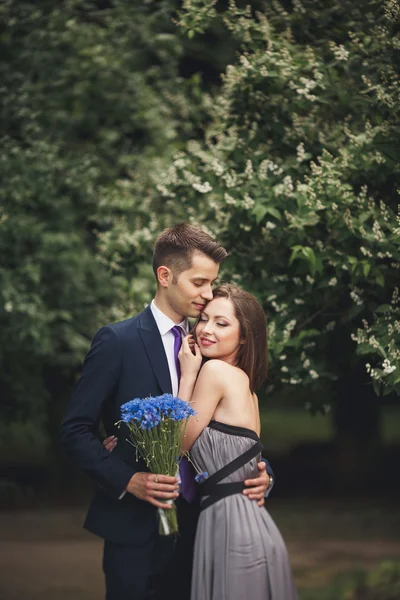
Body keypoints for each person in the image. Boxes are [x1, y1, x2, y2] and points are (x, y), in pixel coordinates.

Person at [60, 223, 273, 600]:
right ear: (165, 276)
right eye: (199, 283)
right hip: (134, 530)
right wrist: (127, 479)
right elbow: (74, 430)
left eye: (212, 283)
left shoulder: (210, 343)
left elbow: (233, 426)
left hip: (202, 528)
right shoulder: (118, 342)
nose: (208, 295)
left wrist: (262, 474)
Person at [177, 283, 298, 600]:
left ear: (244, 336)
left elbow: (175, 444)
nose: (206, 330)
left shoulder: (214, 371)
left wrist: (188, 373)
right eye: (204, 319)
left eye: (222, 323)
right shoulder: (249, 389)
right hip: (250, 523)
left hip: (231, 527)